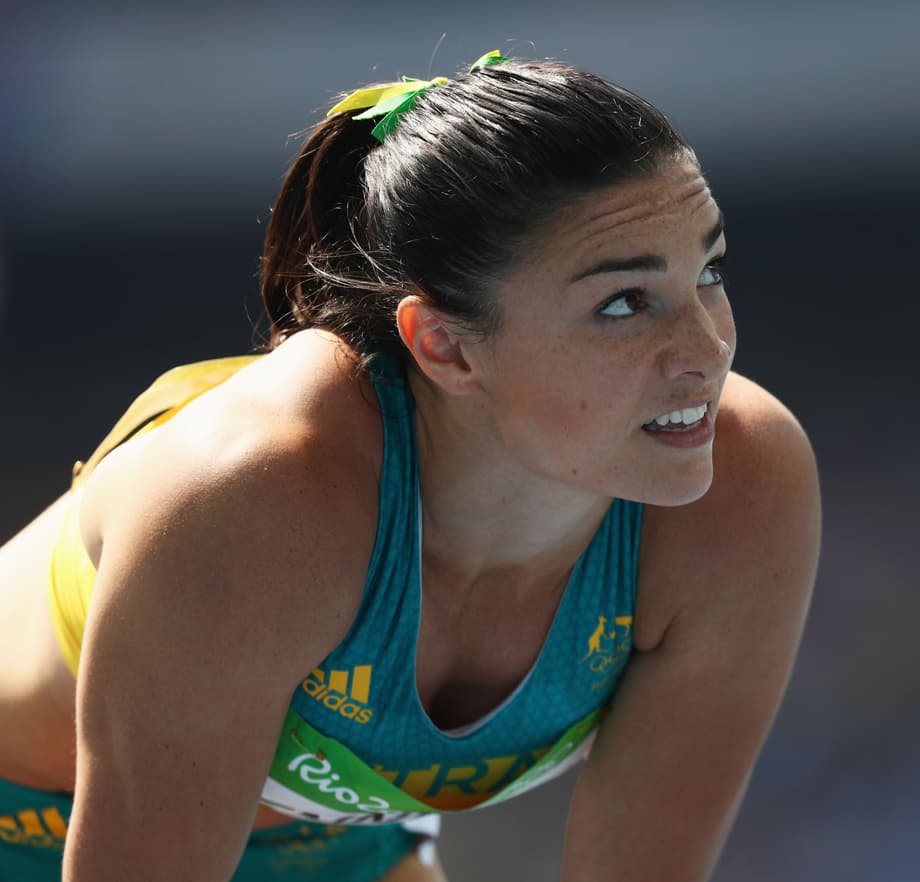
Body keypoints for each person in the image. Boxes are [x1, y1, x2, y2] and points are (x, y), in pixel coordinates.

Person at [0, 50, 820, 882]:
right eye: (623, 304)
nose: (708, 352)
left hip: (330, 850)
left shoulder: (745, 486)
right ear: (445, 346)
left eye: (709, 272)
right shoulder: (258, 496)